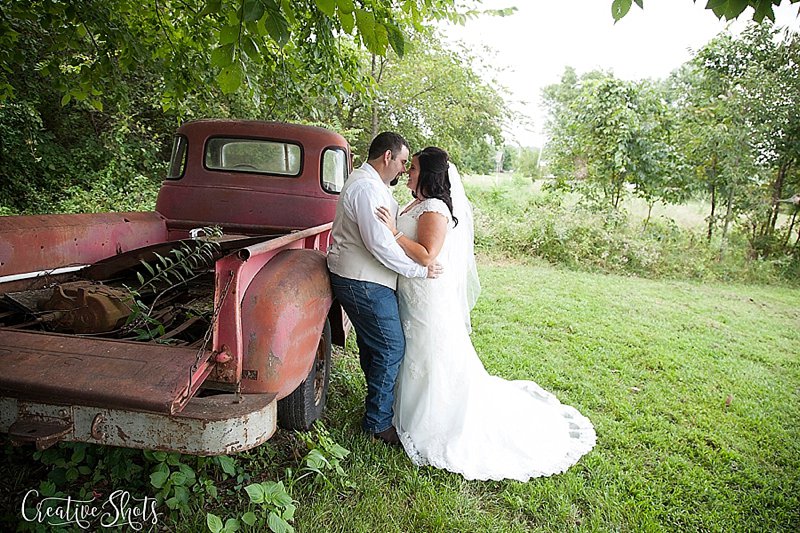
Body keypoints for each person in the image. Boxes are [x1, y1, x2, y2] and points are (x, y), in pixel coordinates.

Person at [375, 147, 596, 481]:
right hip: (411, 293)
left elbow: (427, 254)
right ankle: (404, 412)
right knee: (413, 353)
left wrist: (392, 233)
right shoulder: (416, 204)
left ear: (430, 175)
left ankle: (436, 421)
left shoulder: (434, 208)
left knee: (429, 353)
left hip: (427, 298)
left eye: (415, 168)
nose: (409, 172)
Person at [327, 132, 442, 445]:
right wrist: (417, 270)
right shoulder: (366, 187)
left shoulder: (374, 185)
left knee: (377, 346)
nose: (405, 169)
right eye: (403, 161)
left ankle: (377, 408)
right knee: (391, 348)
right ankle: (378, 425)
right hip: (363, 280)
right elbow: (379, 244)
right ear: (387, 157)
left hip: (370, 278)